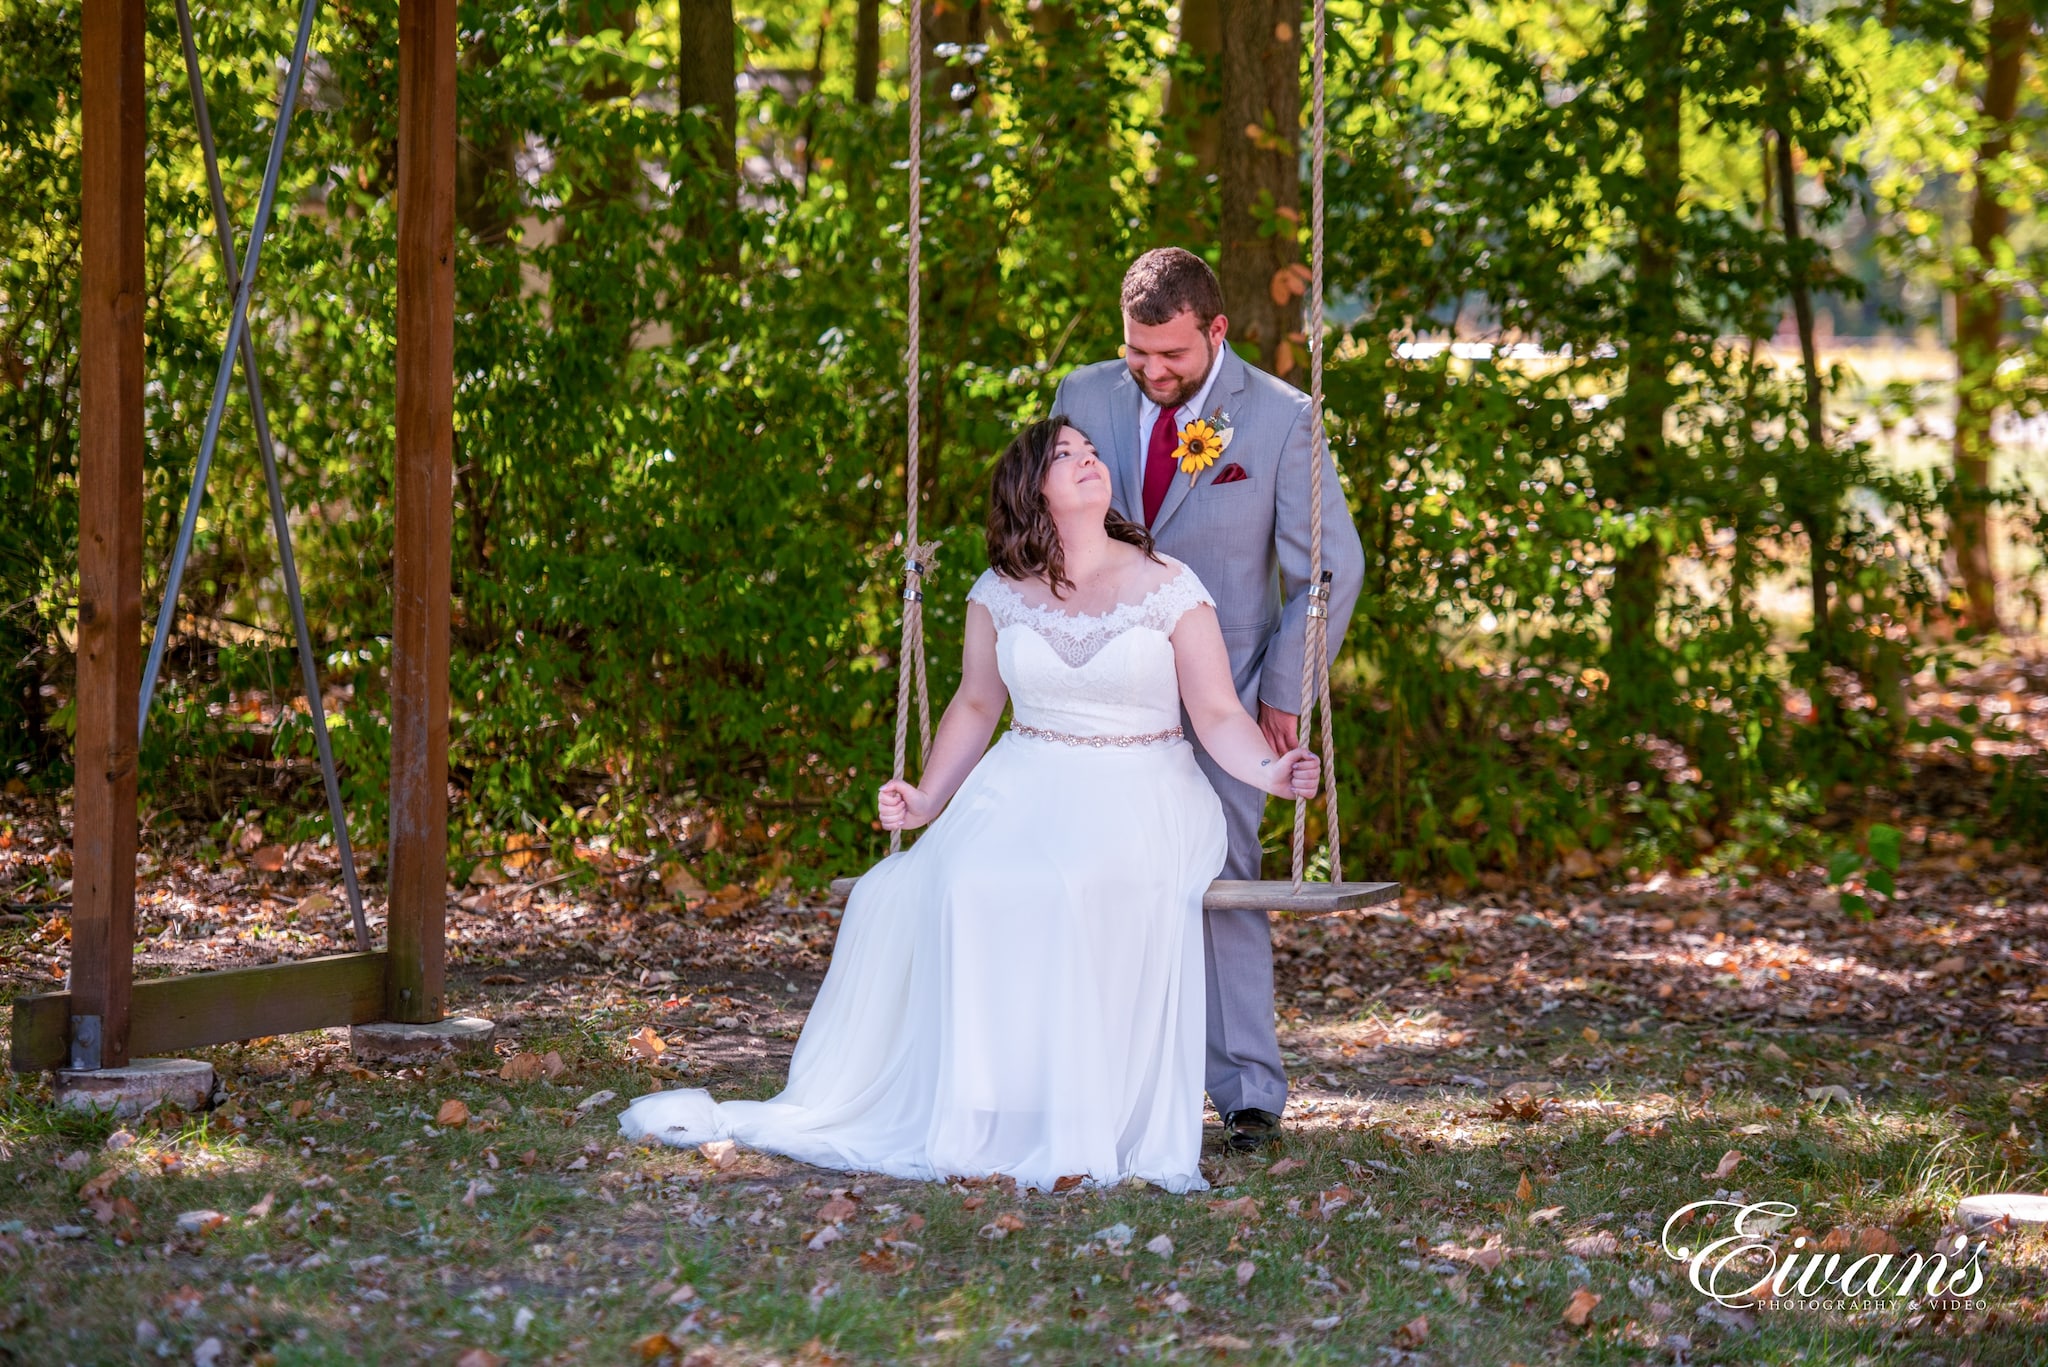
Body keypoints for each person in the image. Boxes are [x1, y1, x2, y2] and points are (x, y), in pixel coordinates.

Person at [619, 416, 1321, 1192]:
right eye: (1066, 456)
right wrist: (924, 797)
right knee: (960, 884)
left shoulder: (1169, 587)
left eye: (1092, 452)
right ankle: (993, 1106)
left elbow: (1218, 713)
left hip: (1143, 783)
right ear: (1032, 489)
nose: (1089, 461)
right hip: (1024, 777)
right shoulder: (998, 592)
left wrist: (1272, 769)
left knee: (1080, 883)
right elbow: (976, 704)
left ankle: (1081, 1110)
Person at [1051, 248, 1365, 1153]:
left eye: (1172, 357)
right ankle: (1101, 1073)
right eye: (1136, 353)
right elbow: (1047, 525)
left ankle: (1246, 1090)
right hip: (1098, 690)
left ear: (1216, 331)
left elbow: (1327, 569)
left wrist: (1283, 690)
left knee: (1220, 878)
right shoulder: (1084, 394)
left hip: (1223, 694)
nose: (1151, 373)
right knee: (1090, 877)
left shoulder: (1279, 419)